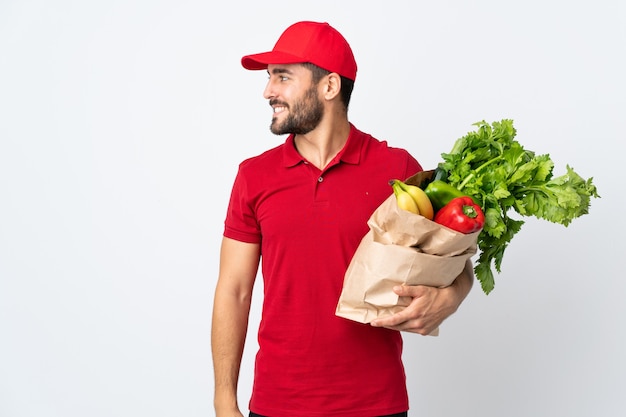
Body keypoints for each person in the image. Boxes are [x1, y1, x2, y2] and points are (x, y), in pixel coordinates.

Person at [211, 21, 474, 417]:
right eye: (269, 78)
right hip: (278, 403)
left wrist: (450, 298)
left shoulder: (399, 171)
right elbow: (234, 290)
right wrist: (223, 400)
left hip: (375, 404)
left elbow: (454, 263)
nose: (269, 91)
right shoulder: (254, 176)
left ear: (329, 86)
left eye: (282, 77)